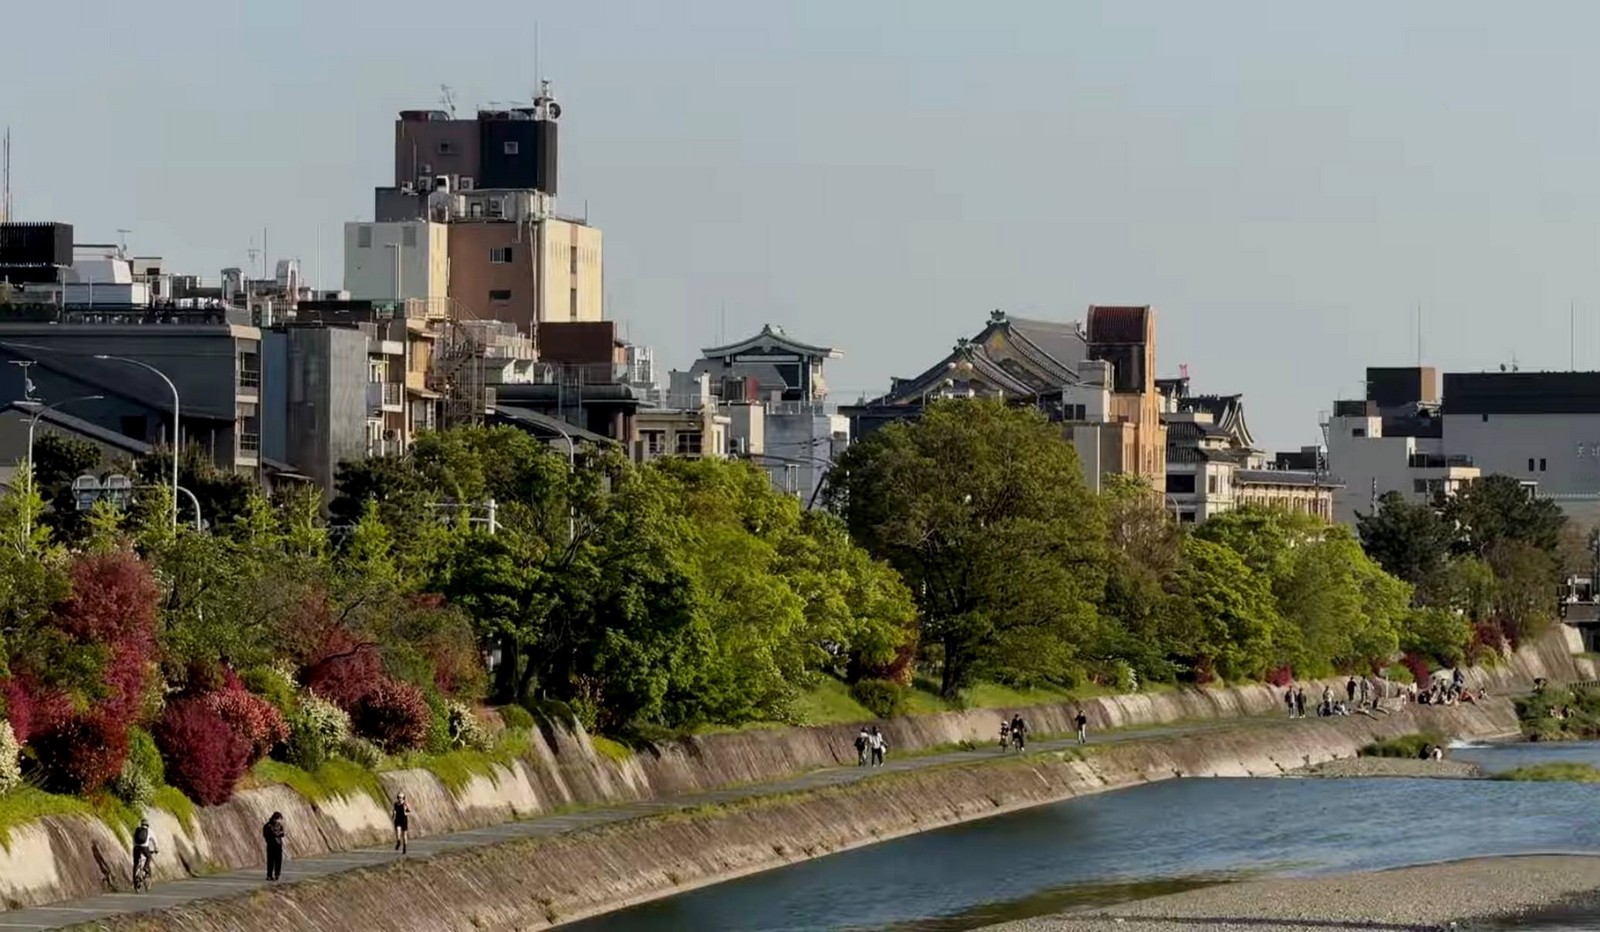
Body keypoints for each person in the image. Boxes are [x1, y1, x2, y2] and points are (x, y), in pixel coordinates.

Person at [131, 817, 156, 888]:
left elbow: (133, 839)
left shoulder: (137, 830)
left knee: (136, 863)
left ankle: (134, 880)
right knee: (149, 857)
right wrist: (156, 848)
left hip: (136, 848)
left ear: (141, 824)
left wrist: (135, 846)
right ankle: (145, 867)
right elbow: (154, 840)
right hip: (144, 847)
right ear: (147, 824)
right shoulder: (149, 831)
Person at [263, 812, 286, 881]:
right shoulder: (267, 825)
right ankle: (269, 875)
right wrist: (276, 834)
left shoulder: (279, 825)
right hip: (271, 845)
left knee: (278, 860)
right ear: (274, 818)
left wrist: (277, 833)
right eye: (278, 819)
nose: (278, 821)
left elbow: (282, 833)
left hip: (278, 845)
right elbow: (267, 834)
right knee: (270, 861)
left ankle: (277, 874)